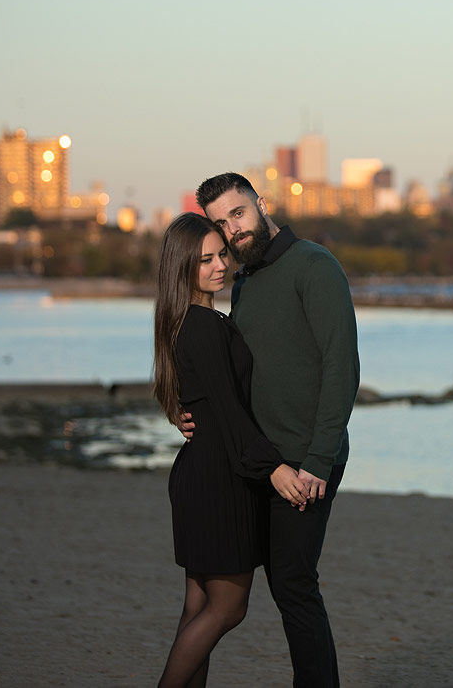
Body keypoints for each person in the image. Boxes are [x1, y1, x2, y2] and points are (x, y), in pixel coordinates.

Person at [181, 172, 359, 688]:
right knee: (212, 593)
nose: (232, 230)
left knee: (293, 584)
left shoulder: (315, 266)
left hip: (304, 461)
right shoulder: (244, 281)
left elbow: (340, 368)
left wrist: (318, 461)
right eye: (221, 223)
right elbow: (229, 374)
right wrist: (185, 412)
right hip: (255, 462)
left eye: (237, 213)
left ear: (260, 203)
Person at [152, 212, 310, 688]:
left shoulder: (186, 321)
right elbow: (230, 414)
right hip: (220, 483)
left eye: (221, 254)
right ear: (182, 267)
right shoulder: (203, 326)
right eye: (205, 260)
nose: (220, 266)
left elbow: (204, 401)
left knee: (198, 608)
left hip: (199, 476)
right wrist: (276, 469)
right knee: (228, 608)